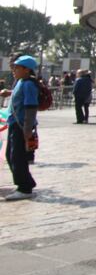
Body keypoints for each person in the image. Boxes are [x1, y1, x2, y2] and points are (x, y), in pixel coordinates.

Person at [1, 55, 40, 200]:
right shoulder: (21, 82)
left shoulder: (29, 84)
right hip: (14, 124)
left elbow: (31, 107)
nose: (14, 70)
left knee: (17, 157)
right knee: (10, 156)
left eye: (17, 68)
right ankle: (27, 183)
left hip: (21, 126)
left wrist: (27, 129)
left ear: (26, 69)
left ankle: (25, 188)